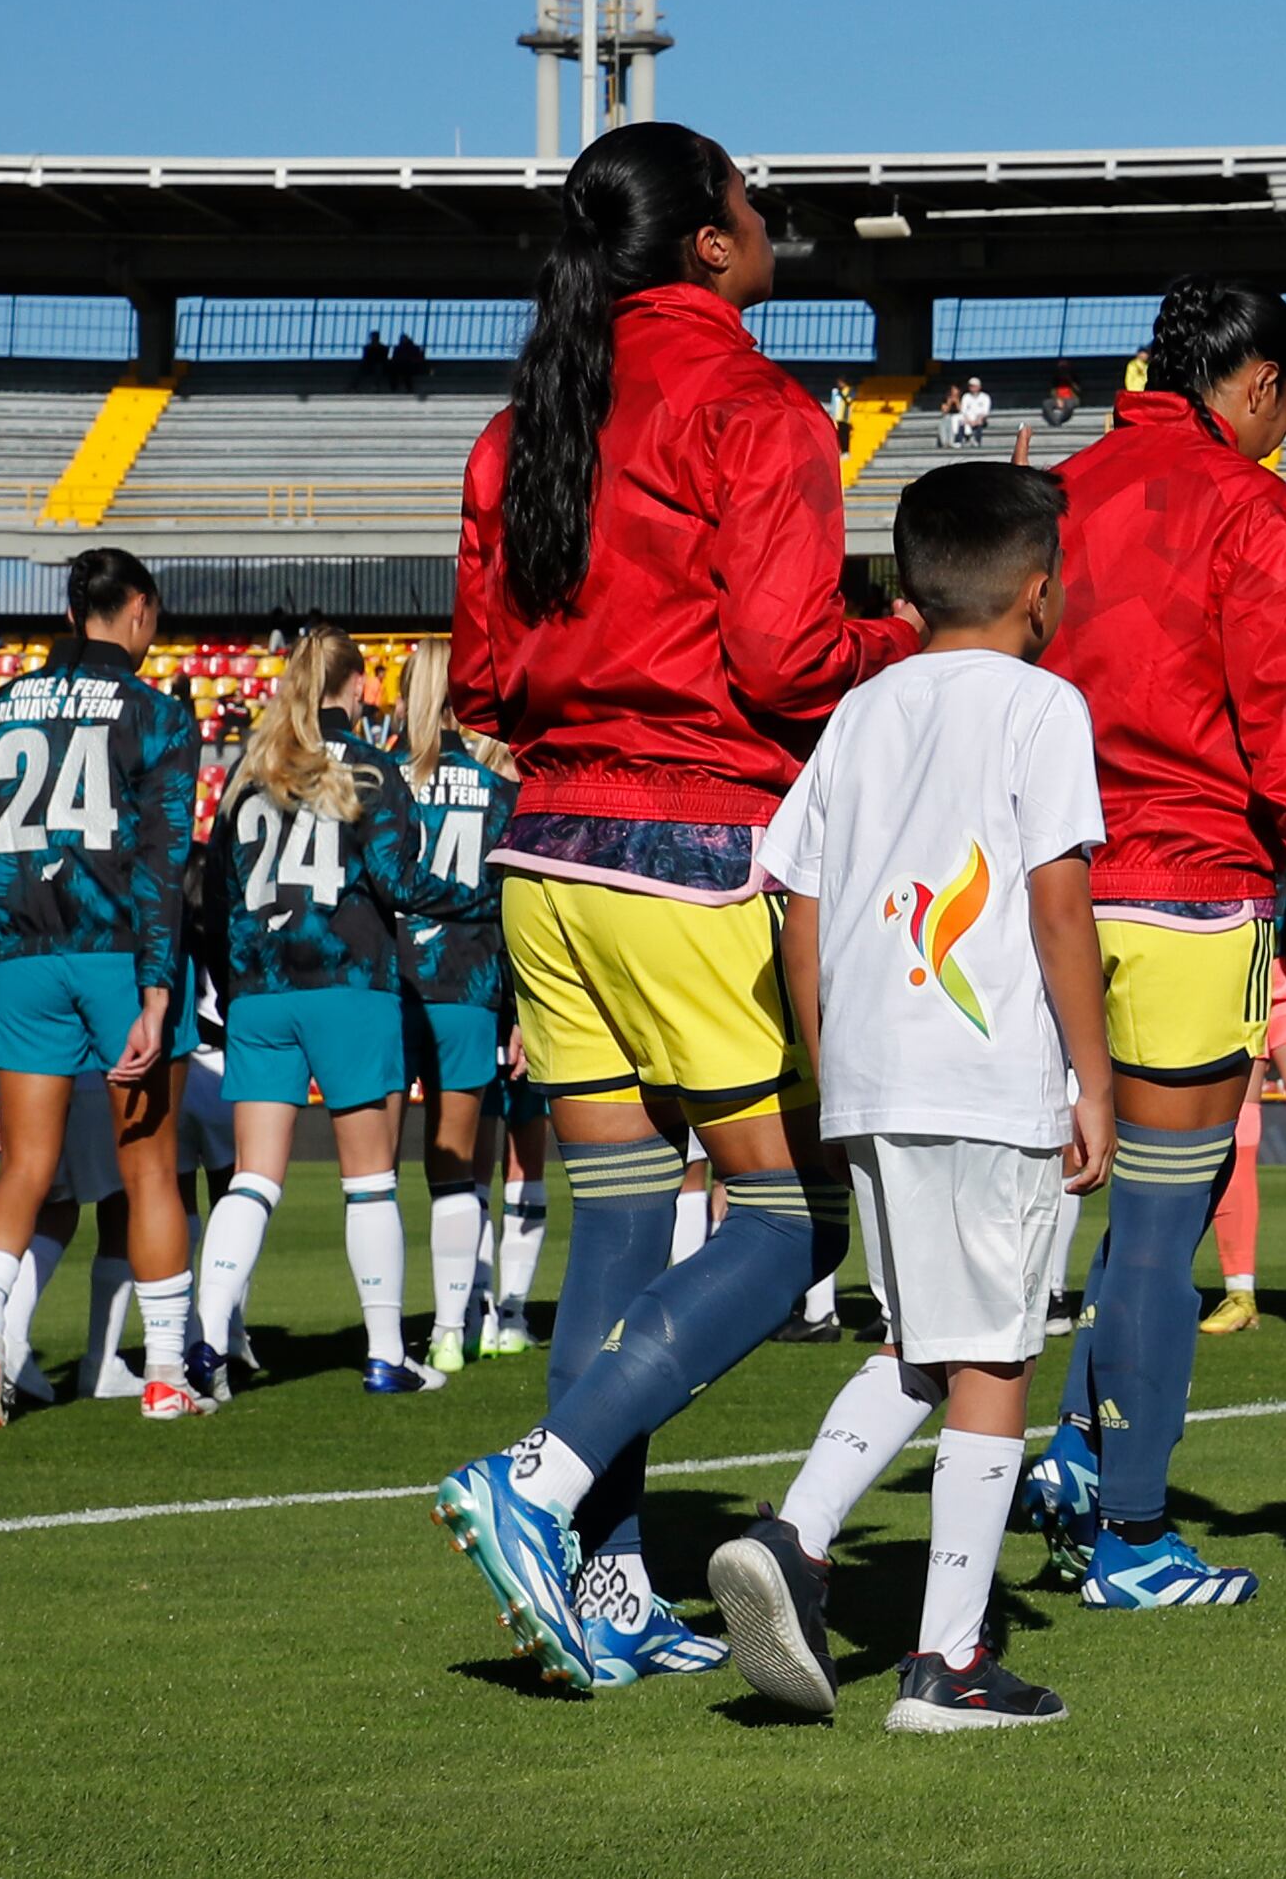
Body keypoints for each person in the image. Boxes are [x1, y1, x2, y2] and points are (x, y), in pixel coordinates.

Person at [431, 122, 918, 1692]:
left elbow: (490, 678)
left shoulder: (524, 423)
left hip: (547, 852)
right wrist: (896, 642)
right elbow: (784, 661)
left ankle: (607, 1582)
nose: (773, 223)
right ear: (712, 242)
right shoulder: (753, 406)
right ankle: (544, 1474)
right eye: (755, 204)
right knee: (791, 1224)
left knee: (624, 1227)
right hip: (692, 844)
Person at [712, 462, 1111, 1733]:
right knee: (996, 1351)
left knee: (923, 1340)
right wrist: (1090, 1081)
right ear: (1039, 590)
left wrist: (833, 1058)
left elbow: (800, 898)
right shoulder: (1043, 706)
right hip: (988, 1067)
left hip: (877, 1064)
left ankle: (798, 1537)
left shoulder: (863, 708)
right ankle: (944, 1659)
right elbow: (1058, 903)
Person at [1023, 276, 1286, 1612]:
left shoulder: (1056, 491)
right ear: (1264, 382)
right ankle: (1136, 1534)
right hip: (1184, 885)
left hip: (1043, 886)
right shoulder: (1253, 506)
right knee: (1160, 1223)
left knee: (1065, 1226)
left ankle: (1063, 1454)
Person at [0, 548, 204, 1426]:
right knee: (150, 1172)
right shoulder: (157, 712)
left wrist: (2, 951)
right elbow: (166, 861)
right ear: (136, 609)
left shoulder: (2, 703)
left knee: (24, 1166)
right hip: (118, 953)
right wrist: (159, 988)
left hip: (22, 957)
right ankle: (166, 1374)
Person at [194, 631, 471, 1397]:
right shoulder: (374, 769)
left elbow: (214, 901)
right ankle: (386, 1353)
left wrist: (238, 982)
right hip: (350, 982)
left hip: (261, 992)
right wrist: (483, 894)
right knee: (369, 1181)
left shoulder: (250, 777)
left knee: (253, 1179)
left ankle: (208, 1339)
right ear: (358, 688)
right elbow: (400, 881)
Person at [388, 642, 530, 1371]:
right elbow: (514, 906)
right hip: (471, 984)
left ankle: (388, 1337)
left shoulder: (381, 780)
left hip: (391, 982)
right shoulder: (498, 788)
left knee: (376, 1174)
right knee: (458, 1163)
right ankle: (451, 1328)